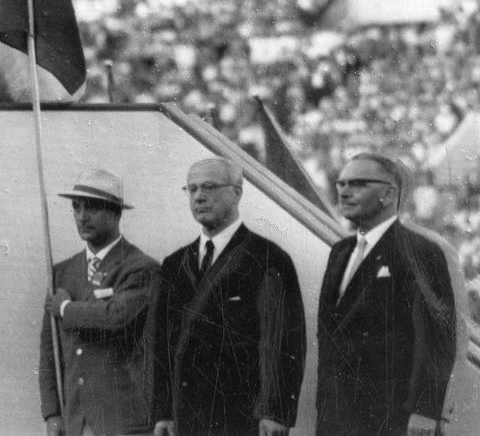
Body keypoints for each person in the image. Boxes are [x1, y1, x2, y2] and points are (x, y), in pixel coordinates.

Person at [152, 157, 305, 436]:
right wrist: (162, 412)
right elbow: (162, 343)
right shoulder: (174, 263)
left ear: (237, 192)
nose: (199, 197)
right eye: (192, 189)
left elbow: (280, 343)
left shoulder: (267, 258)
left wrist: (274, 412)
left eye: (209, 187)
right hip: (186, 417)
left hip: (243, 418)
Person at [315, 154, 456, 436]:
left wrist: (425, 410)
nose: (344, 191)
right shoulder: (340, 251)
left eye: (357, 183)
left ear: (390, 192)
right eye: (340, 183)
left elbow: (437, 337)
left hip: (392, 416)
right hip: (337, 414)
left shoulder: (420, 251)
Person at [40, 168, 159, 436]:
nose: (82, 216)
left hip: (124, 422)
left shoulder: (141, 268)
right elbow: (50, 350)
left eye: (92, 208)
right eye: (76, 207)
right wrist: (52, 412)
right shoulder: (61, 273)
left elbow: (116, 316)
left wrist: (65, 309)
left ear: (116, 212)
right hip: (76, 422)